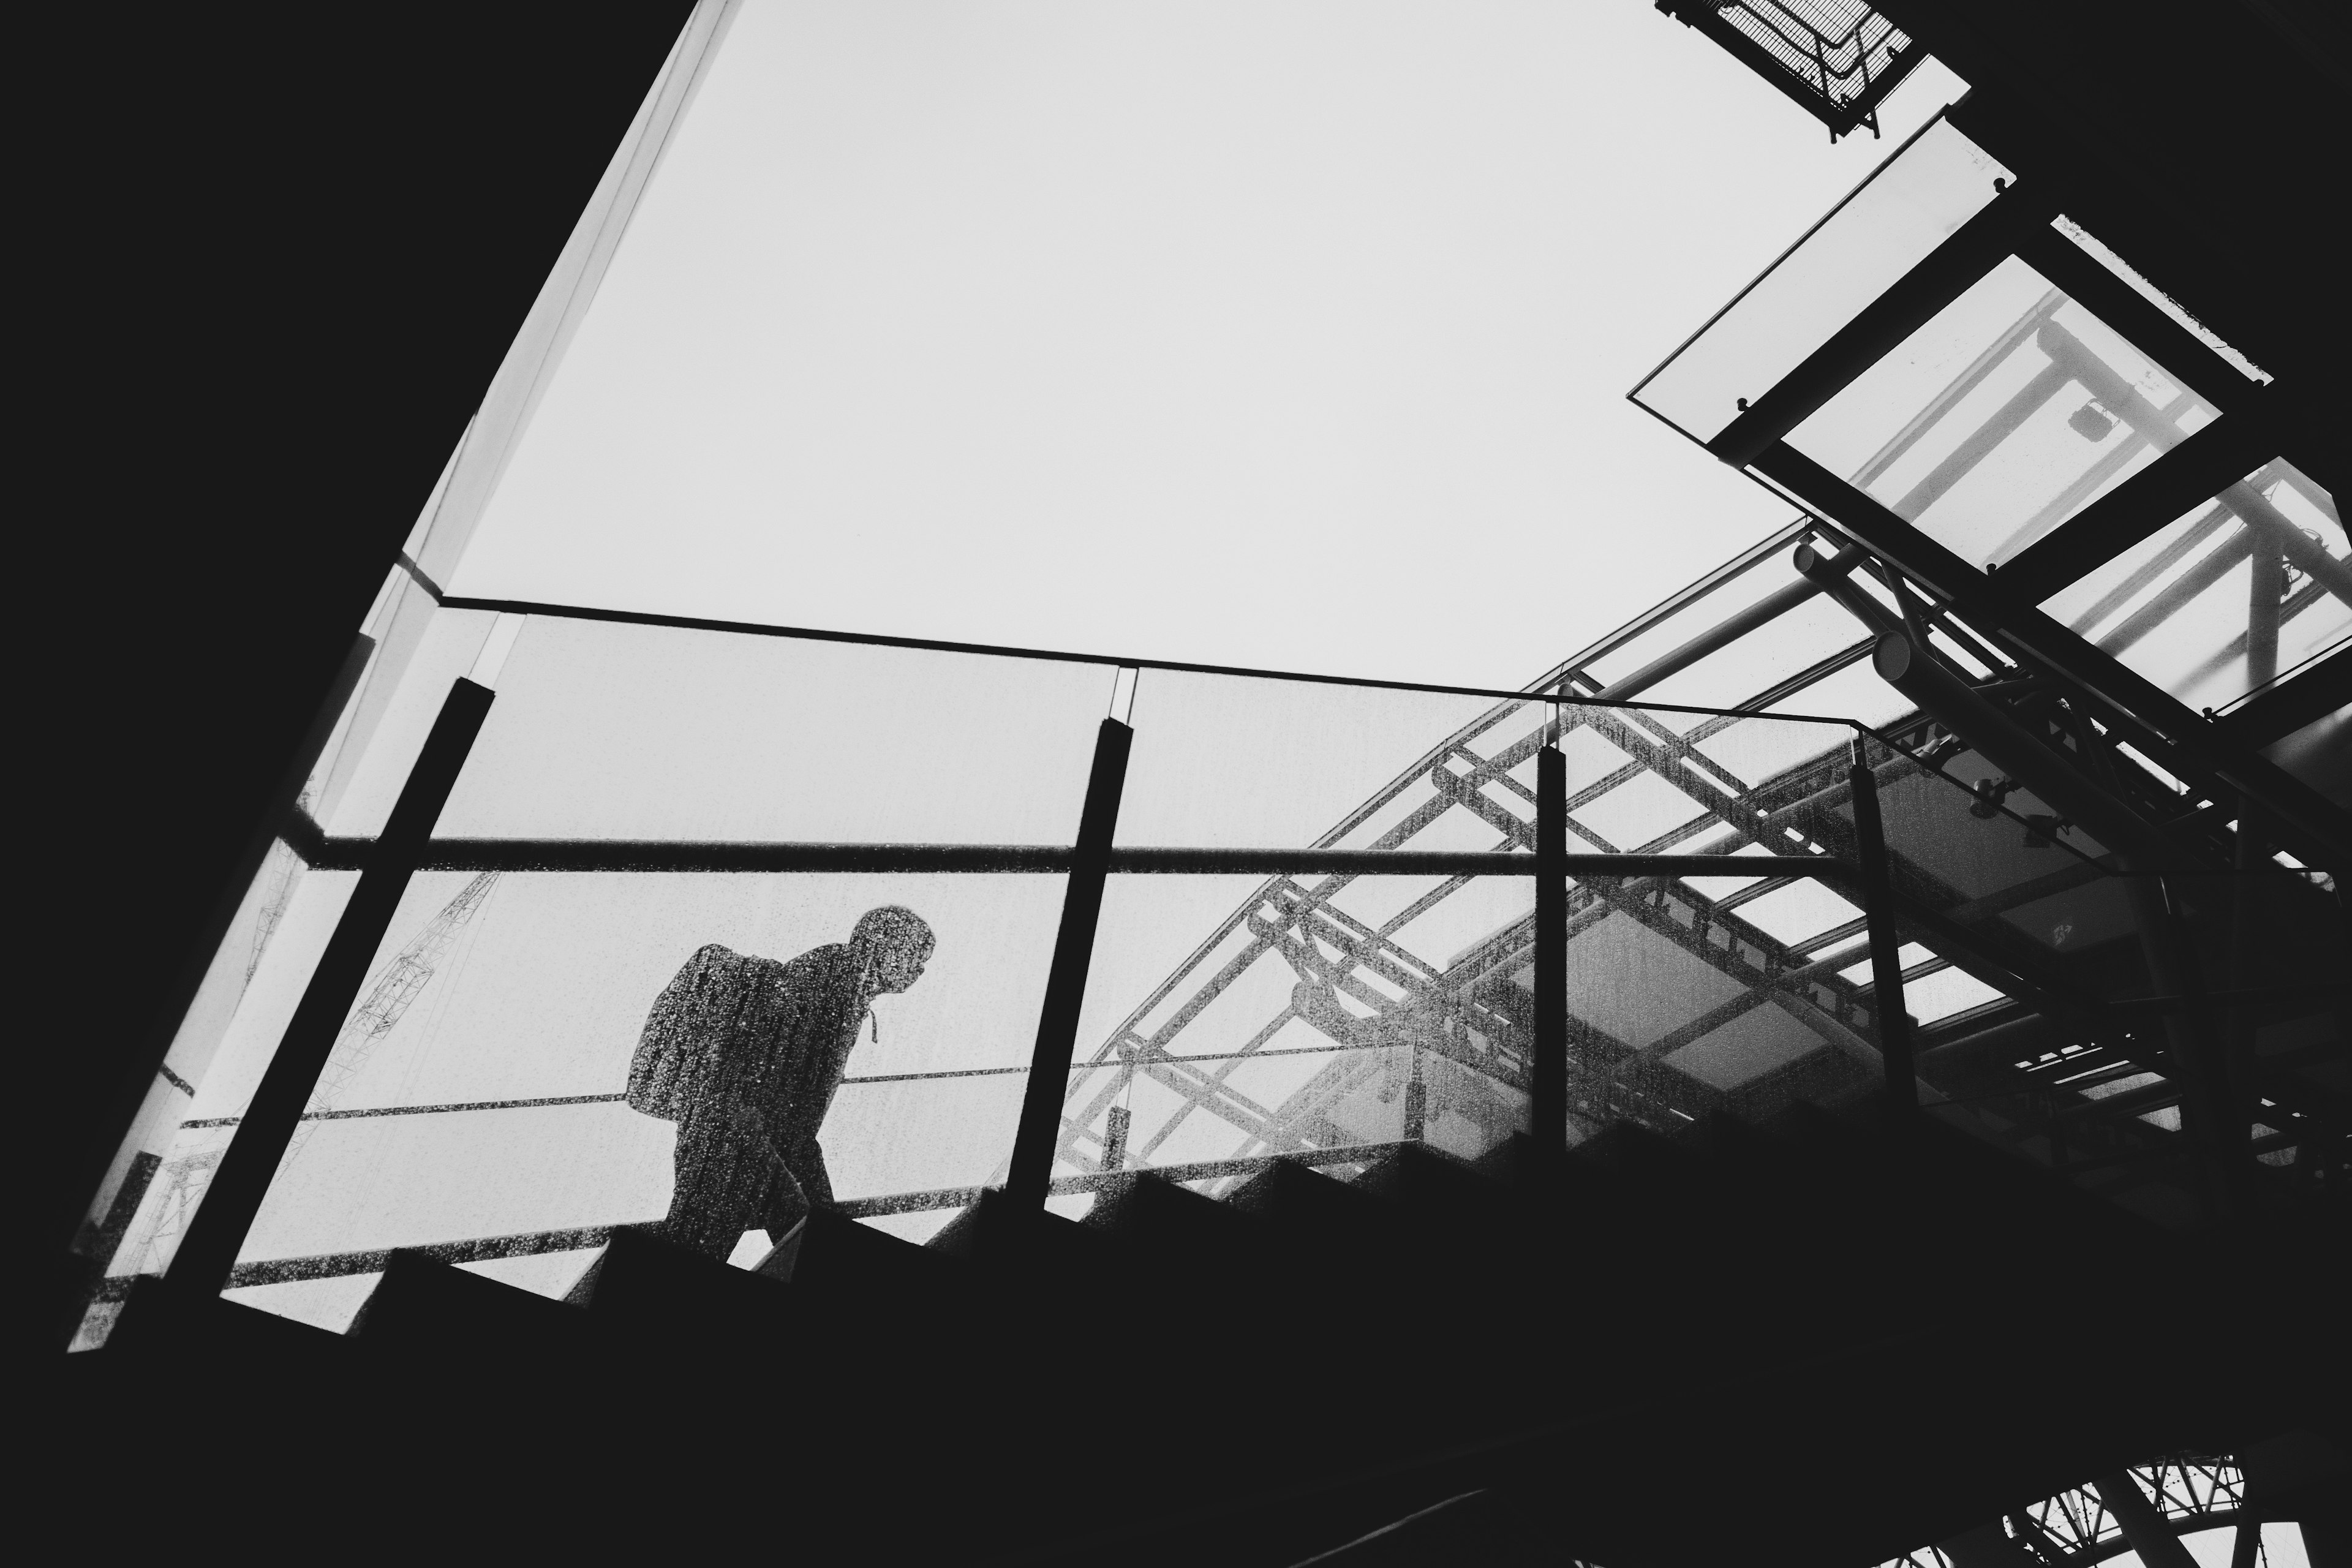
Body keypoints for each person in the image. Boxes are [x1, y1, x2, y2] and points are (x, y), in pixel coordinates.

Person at [627, 907, 935, 1260]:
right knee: (709, 1254)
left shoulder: (840, 985)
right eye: (916, 955)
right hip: (736, 1141)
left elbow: (789, 1088)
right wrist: (756, 1144)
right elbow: (760, 1067)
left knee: (808, 1244)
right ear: (882, 947)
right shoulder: (831, 980)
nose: (920, 969)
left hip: (753, 1140)